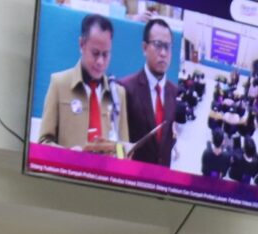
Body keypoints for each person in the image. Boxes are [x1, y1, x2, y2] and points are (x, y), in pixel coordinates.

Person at [37, 13, 131, 151]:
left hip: (105, 172)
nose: (100, 62)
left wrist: (120, 155)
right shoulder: (59, 83)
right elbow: (43, 143)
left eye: (105, 54)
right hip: (67, 170)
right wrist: (70, 155)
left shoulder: (118, 93)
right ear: (81, 44)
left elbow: (124, 150)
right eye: (95, 53)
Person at [119, 14, 175, 167]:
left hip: (161, 182)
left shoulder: (175, 93)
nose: (163, 53)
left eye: (168, 47)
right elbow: (117, 141)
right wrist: (120, 157)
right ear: (144, 48)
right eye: (157, 45)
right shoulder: (125, 88)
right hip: (131, 180)